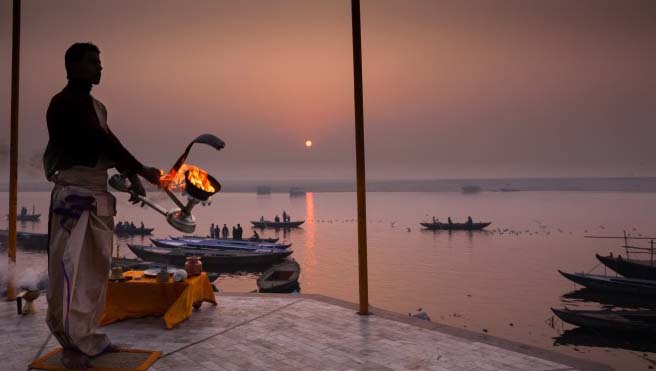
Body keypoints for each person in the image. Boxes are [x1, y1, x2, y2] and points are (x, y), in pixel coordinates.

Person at [43, 42, 161, 370]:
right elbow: (98, 141)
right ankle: (72, 345)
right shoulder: (64, 103)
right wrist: (140, 169)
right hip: (74, 198)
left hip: (96, 197)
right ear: (73, 66)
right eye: (93, 62)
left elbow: (110, 143)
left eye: (100, 62)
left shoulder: (97, 106)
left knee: (95, 272)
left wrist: (131, 177)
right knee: (71, 272)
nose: (100, 68)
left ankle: (89, 337)